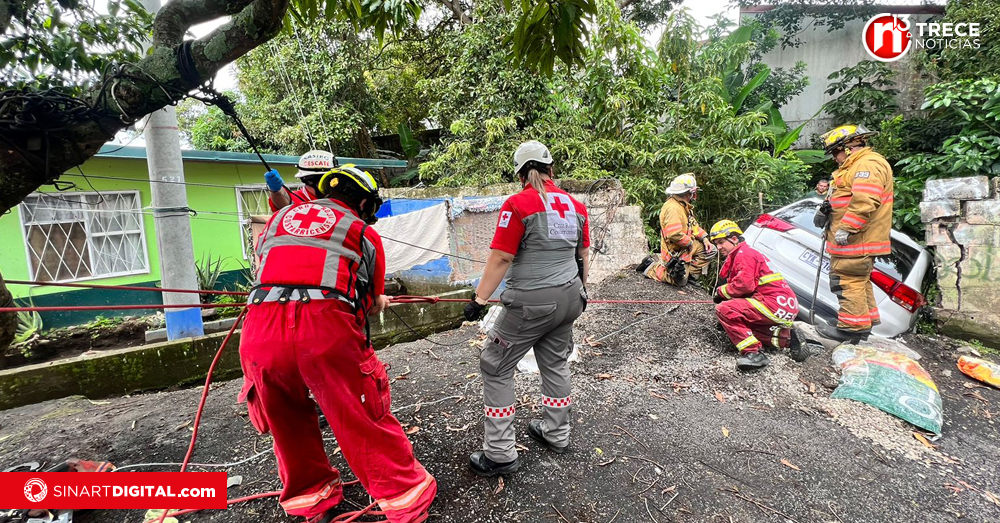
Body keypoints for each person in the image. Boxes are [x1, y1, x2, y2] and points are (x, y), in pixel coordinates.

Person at [238, 165, 436, 523]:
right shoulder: (361, 231)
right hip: (324, 331)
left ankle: (311, 500)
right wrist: (378, 300)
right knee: (360, 413)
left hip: (260, 332)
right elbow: (372, 303)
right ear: (363, 202)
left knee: (287, 421)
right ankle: (405, 499)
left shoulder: (277, 220)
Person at [462, 140, 589, 477]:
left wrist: (478, 300)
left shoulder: (518, 204)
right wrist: (583, 290)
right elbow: (582, 256)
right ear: (551, 169)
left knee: (495, 364)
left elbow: (502, 256)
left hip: (531, 303)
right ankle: (556, 433)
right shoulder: (576, 206)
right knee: (555, 363)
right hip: (570, 298)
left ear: (519, 173)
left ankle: (501, 453)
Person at [813, 124, 893, 342]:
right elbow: (848, 189)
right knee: (859, 281)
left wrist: (847, 228)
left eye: (835, 152)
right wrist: (828, 186)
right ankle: (862, 324)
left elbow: (865, 200)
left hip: (857, 239)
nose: (834, 158)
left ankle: (850, 329)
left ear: (847, 147)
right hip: (857, 239)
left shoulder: (868, 165)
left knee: (847, 280)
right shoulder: (857, 166)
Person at [710, 220, 806, 370]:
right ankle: (787, 339)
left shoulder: (744, 254)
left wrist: (721, 292)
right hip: (785, 306)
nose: (719, 247)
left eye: (721, 242)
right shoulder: (748, 253)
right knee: (740, 328)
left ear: (734, 239)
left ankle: (754, 354)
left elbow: (744, 285)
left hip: (773, 303)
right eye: (716, 243)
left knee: (725, 310)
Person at [637, 173, 715, 285]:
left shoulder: (683, 205)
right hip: (676, 251)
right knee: (679, 282)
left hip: (686, 247)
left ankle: (690, 276)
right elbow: (674, 234)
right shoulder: (673, 208)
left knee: (711, 250)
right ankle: (651, 268)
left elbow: (693, 225)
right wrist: (690, 243)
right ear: (689, 193)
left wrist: (704, 238)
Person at [264, 150, 337, 211]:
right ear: (308, 180)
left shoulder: (340, 196)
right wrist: (276, 190)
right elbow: (284, 202)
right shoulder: (295, 198)